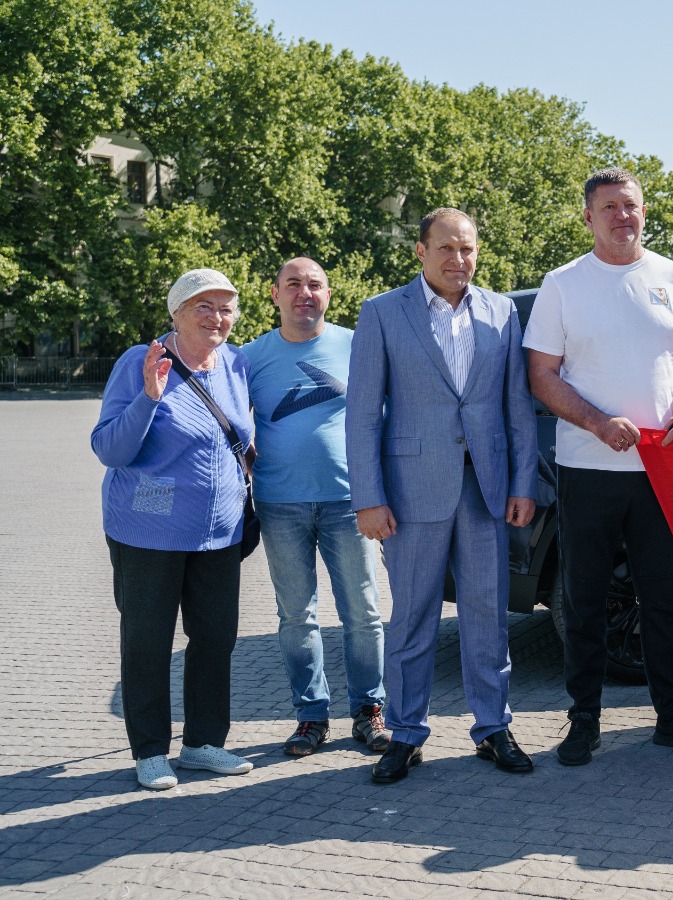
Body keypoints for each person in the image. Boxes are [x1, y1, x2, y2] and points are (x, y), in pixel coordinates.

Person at [526, 168, 673, 765]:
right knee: (584, 600)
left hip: (661, 468)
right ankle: (583, 720)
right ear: (588, 217)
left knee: (664, 599)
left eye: (631, 205)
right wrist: (595, 422)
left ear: (643, 212)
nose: (622, 216)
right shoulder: (563, 284)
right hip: (587, 467)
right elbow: (542, 376)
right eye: (609, 207)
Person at [346, 208, 539, 784]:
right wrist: (368, 497)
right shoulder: (382, 312)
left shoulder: (502, 312)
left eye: (468, 248)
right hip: (410, 493)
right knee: (412, 619)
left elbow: (517, 406)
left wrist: (523, 483)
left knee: (489, 617)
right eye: (447, 248)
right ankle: (405, 735)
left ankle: (493, 727)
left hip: (486, 490)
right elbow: (362, 413)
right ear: (421, 251)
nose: (459, 259)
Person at [91, 268, 256, 790]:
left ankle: (203, 743)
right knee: (148, 640)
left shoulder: (235, 362)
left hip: (219, 533)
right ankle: (149, 751)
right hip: (149, 531)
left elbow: (240, 436)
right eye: (203, 307)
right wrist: (149, 397)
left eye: (225, 308)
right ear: (177, 313)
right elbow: (109, 449)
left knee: (215, 638)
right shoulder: (140, 360)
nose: (217, 318)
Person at [243, 257, 389, 757]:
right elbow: (232, 423)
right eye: (293, 284)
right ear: (274, 294)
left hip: (350, 501)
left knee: (363, 613)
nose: (304, 293)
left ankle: (369, 710)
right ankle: (311, 716)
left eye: (314, 285)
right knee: (296, 616)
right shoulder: (250, 357)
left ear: (329, 294)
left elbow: (383, 418)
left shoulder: (358, 344)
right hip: (279, 504)